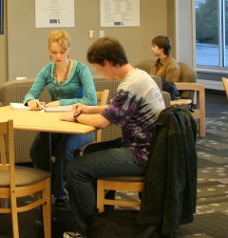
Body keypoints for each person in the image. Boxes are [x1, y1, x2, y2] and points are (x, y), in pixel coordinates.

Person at [60, 37, 166, 238]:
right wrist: (88, 108)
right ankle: (104, 218)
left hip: (139, 154)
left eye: (98, 67)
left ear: (107, 63)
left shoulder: (130, 85)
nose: (98, 71)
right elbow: (115, 108)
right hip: (148, 147)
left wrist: (75, 115)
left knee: (75, 169)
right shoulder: (139, 76)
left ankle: (89, 229)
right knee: (89, 151)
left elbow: (102, 122)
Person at [23, 29, 97, 206]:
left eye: (62, 52)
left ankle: (58, 194)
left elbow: (92, 100)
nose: (57, 56)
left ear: (69, 49)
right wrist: (31, 101)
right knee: (37, 149)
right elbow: (30, 94)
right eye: (54, 52)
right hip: (56, 124)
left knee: (65, 149)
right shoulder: (47, 71)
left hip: (80, 124)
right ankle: (55, 182)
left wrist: (62, 102)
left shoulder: (80, 69)